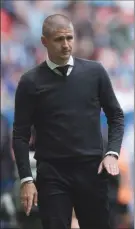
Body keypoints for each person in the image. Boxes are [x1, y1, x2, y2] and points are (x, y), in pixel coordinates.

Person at [12, 14, 124, 229]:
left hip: (92, 170)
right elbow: (20, 134)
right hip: (51, 173)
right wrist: (26, 179)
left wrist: (112, 152)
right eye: (59, 39)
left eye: (70, 38)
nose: (66, 45)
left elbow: (116, 116)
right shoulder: (29, 82)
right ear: (44, 41)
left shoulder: (95, 72)